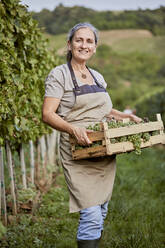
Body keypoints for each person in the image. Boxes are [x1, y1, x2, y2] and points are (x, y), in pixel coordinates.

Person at [42, 23, 142, 248]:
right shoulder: (59, 75)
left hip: (102, 151)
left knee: (101, 211)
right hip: (77, 150)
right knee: (91, 214)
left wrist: (127, 118)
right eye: (79, 40)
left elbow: (104, 110)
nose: (84, 45)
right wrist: (72, 129)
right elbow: (47, 114)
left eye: (89, 41)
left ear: (95, 47)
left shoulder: (97, 76)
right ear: (69, 44)